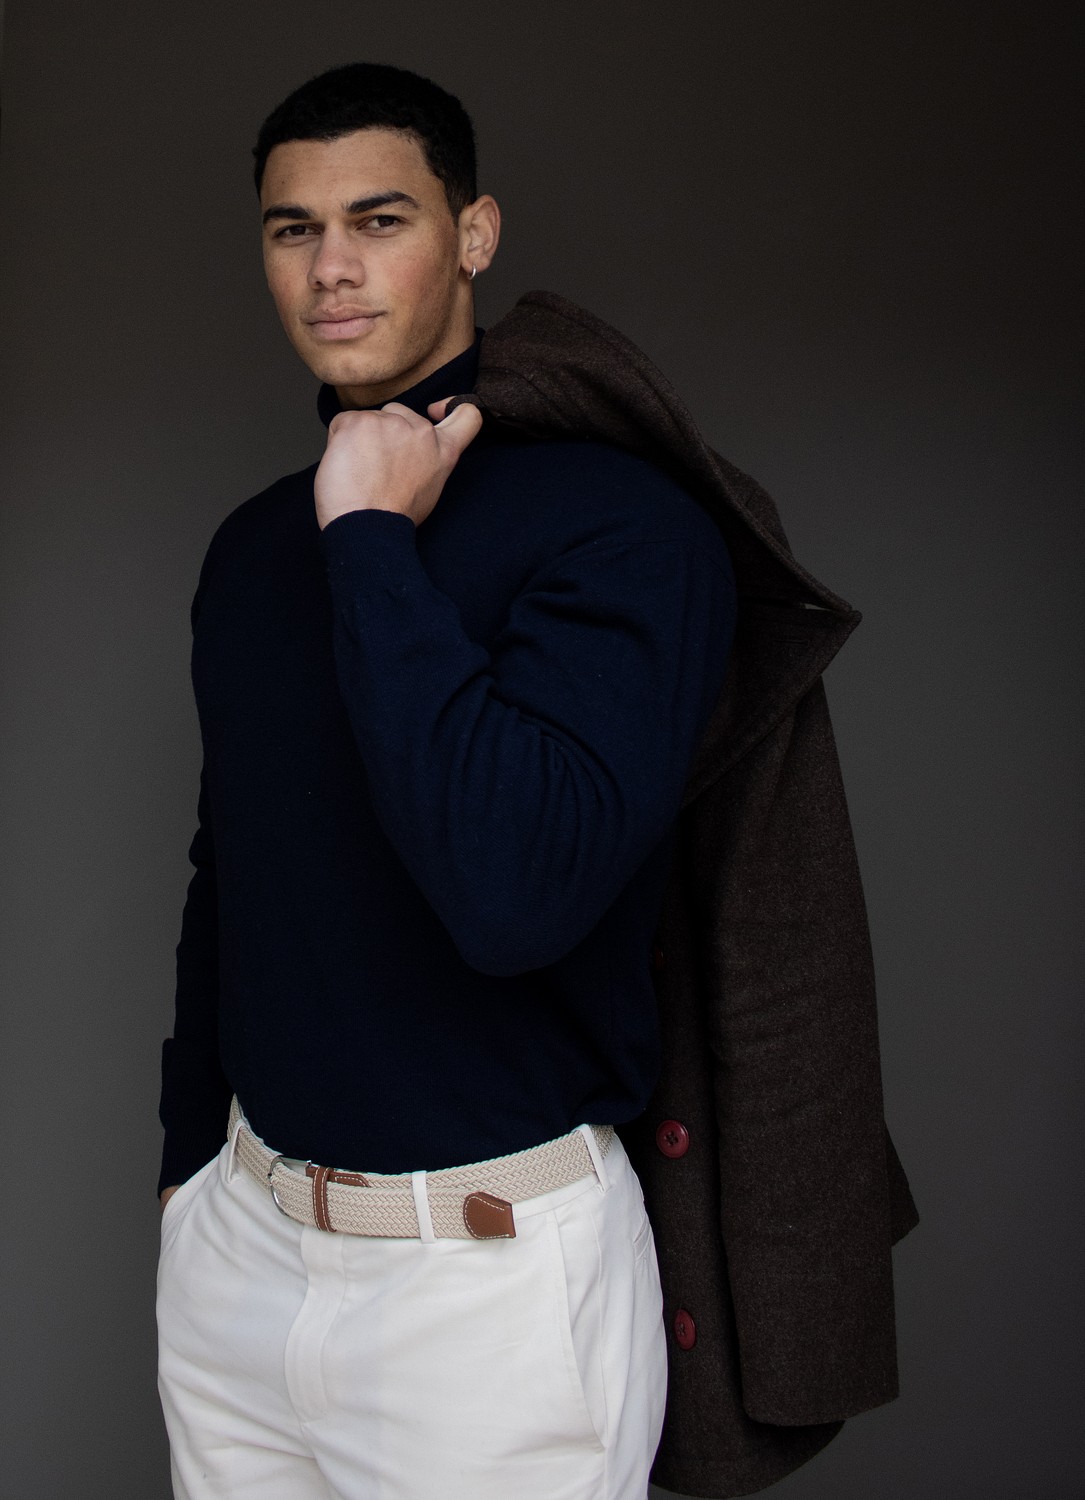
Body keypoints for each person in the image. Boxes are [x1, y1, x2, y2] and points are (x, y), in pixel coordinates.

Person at [157, 61, 917, 1500]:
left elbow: (513, 892)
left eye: (379, 219)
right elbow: (231, 866)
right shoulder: (254, 548)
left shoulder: (621, 529)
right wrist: (186, 1165)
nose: (331, 269)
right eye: (292, 229)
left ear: (476, 234)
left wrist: (371, 544)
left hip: (484, 1290)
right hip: (241, 1260)